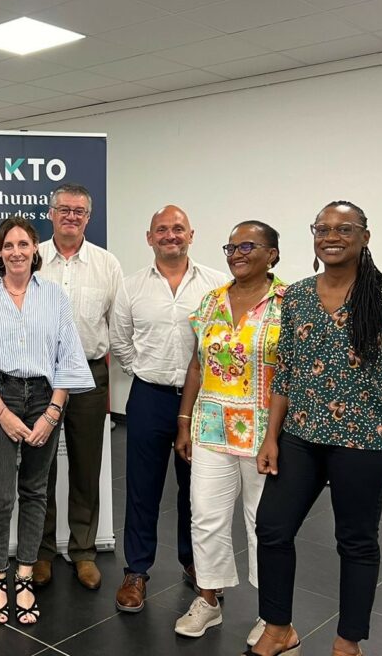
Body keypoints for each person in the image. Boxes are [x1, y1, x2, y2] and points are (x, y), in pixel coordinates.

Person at [248, 201, 382, 656]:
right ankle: (278, 628)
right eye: (322, 228)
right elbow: (286, 371)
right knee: (272, 528)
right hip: (301, 436)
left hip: (364, 441)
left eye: (344, 229)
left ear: (365, 236)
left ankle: (347, 642)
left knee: (356, 542)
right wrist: (271, 437)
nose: (331, 236)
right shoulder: (297, 296)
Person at [0, 216, 93, 627]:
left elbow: (68, 356)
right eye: (8, 245)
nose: (16, 251)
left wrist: (53, 412)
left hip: (45, 398)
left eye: (23, 244)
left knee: (35, 491)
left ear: (35, 249)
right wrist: (1, 412)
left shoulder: (53, 296)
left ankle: (26, 575)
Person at [110, 204, 228, 614]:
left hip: (203, 400)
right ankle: (136, 571)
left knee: (198, 489)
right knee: (142, 488)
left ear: (191, 235)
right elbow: (120, 340)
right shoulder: (131, 286)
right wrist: (144, 370)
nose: (170, 235)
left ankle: (195, 562)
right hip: (149, 396)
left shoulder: (217, 285)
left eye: (178, 228)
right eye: (161, 229)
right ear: (150, 238)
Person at [172, 221, 285, 645]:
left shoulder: (288, 303)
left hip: (264, 433)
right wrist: (184, 421)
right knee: (205, 516)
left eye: (248, 246)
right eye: (231, 247)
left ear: (272, 254)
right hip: (211, 427)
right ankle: (208, 599)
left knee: (263, 523)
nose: (237, 254)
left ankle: (270, 614)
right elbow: (197, 365)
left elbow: (290, 373)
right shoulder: (212, 300)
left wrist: (278, 435)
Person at [34, 184, 123, 591]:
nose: (71, 216)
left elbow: (117, 325)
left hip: (89, 374)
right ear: (51, 213)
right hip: (39, 376)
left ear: (89, 217)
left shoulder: (107, 264)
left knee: (87, 466)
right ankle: (41, 551)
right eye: (64, 209)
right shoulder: (32, 258)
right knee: (41, 466)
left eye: (79, 211)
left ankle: (84, 551)